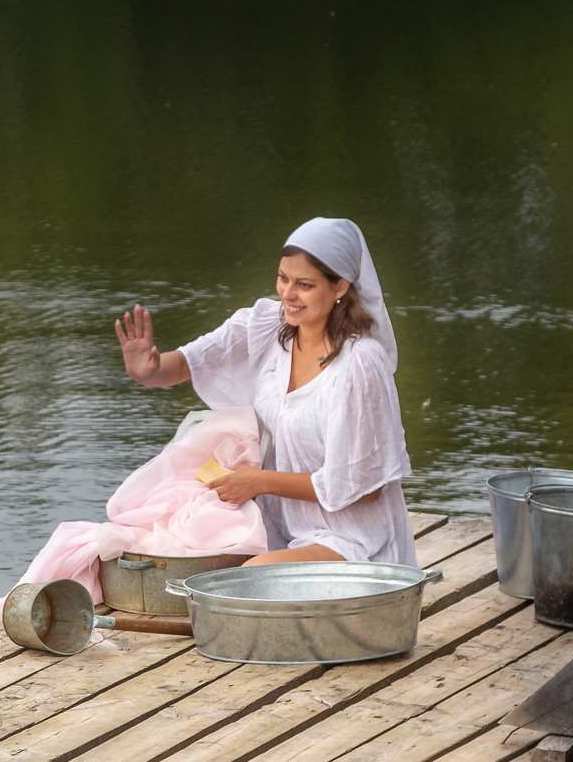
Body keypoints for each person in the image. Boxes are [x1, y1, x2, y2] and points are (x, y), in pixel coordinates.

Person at [112, 216, 415, 568]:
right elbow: (188, 363)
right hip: (279, 528)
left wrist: (260, 482)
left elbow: (366, 488)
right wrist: (147, 371)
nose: (287, 294)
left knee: (245, 579)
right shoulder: (267, 325)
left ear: (341, 287)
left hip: (357, 543)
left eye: (304, 284)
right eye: (283, 278)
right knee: (165, 540)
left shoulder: (361, 364)